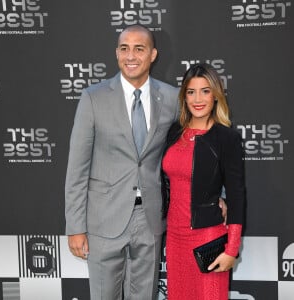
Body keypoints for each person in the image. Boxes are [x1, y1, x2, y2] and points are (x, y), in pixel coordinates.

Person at [65, 25, 227, 299]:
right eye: (124, 48)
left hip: (151, 217)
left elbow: (202, 147)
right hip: (104, 217)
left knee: (144, 295)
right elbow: (77, 169)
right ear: (117, 53)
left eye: (139, 49)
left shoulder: (172, 99)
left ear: (152, 55)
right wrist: (75, 227)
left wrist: (218, 194)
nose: (131, 56)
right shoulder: (93, 98)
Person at [161, 63, 245, 299]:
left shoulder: (226, 138)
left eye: (205, 91)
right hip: (175, 237)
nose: (198, 98)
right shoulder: (174, 132)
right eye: (191, 91)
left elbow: (237, 195)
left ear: (216, 95)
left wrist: (232, 248)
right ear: (184, 97)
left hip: (207, 238)